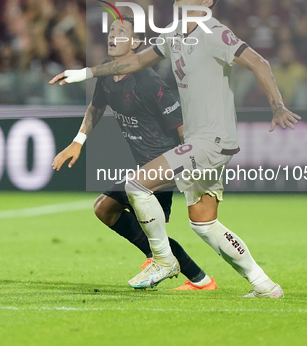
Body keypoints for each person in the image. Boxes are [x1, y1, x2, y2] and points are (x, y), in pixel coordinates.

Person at [50, 0, 301, 298]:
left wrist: (277, 106)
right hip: (202, 140)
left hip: (210, 139)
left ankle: (164, 260)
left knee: (137, 184)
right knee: (204, 224)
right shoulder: (174, 34)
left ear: (207, 2)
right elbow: (136, 61)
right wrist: (84, 72)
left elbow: (259, 62)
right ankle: (264, 285)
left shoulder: (215, 32)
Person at [52, 15, 216, 290]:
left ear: (136, 42)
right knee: (105, 209)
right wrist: (78, 141)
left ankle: (167, 262)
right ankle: (198, 278)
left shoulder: (149, 83)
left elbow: (183, 129)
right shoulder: (106, 72)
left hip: (167, 163)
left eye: (122, 31)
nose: (113, 35)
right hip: (144, 165)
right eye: (111, 30)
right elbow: (96, 107)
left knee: (149, 226)